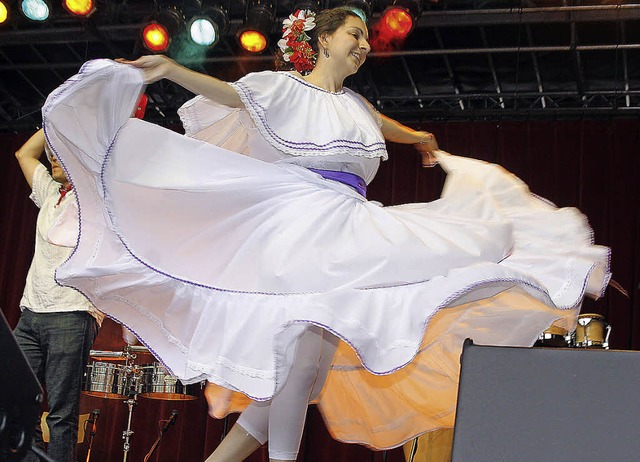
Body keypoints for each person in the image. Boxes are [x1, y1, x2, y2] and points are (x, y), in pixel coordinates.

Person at [40, 6, 610, 462]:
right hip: (296, 224)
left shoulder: (357, 104)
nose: (363, 44)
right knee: (302, 350)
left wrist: (418, 137)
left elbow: (378, 123)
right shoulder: (281, 88)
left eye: (366, 37)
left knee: (308, 372)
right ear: (324, 38)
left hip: (350, 224)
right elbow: (230, 95)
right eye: (354, 34)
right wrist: (169, 71)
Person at [13, 129, 103, 462]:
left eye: (60, 152)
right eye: (51, 151)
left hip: (72, 313)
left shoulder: (95, 196)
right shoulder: (50, 193)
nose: (52, 156)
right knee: (15, 397)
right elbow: (24, 154)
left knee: (61, 414)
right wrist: (52, 122)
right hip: (31, 315)